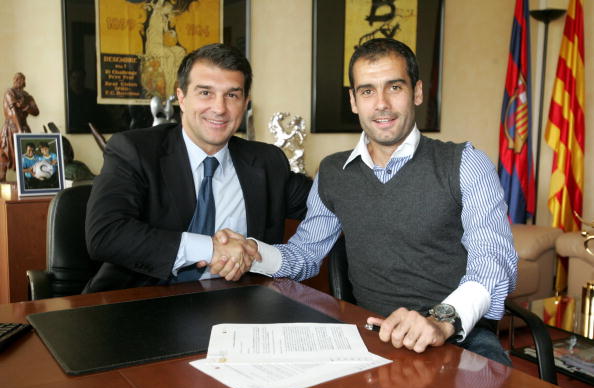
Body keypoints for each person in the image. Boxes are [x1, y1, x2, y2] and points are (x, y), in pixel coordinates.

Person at [215, 38, 518, 365]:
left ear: (416, 92)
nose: (382, 104)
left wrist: (441, 319)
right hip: (369, 334)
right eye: (368, 91)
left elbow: (494, 259)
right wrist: (253, 252)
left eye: (395, 87)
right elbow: (305, 254)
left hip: (459, 336)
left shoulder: (465, 163)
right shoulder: (333, 171)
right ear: (354, 100)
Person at [83, 43, 311, 293]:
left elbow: (331, 199)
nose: (219, 108)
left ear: (245, 102)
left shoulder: (267, 162)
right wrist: (211, 249)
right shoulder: (135, 151)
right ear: (181, 97)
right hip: (141, 305)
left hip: (237, 307)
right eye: (205, 93)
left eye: (232, 95)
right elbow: (105, 234)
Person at [1, 72, 40, 181]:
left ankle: (26, 181)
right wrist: (19, 130)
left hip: (23, 127)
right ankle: (2, 178)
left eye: (22, 79)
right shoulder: (10, 93)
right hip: (11, 127)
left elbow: (36, 111)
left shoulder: (27, 96)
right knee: (5, 152)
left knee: (25, 153)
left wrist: (25, 106)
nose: (20, 82)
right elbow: (13, 112)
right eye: (18, 79)